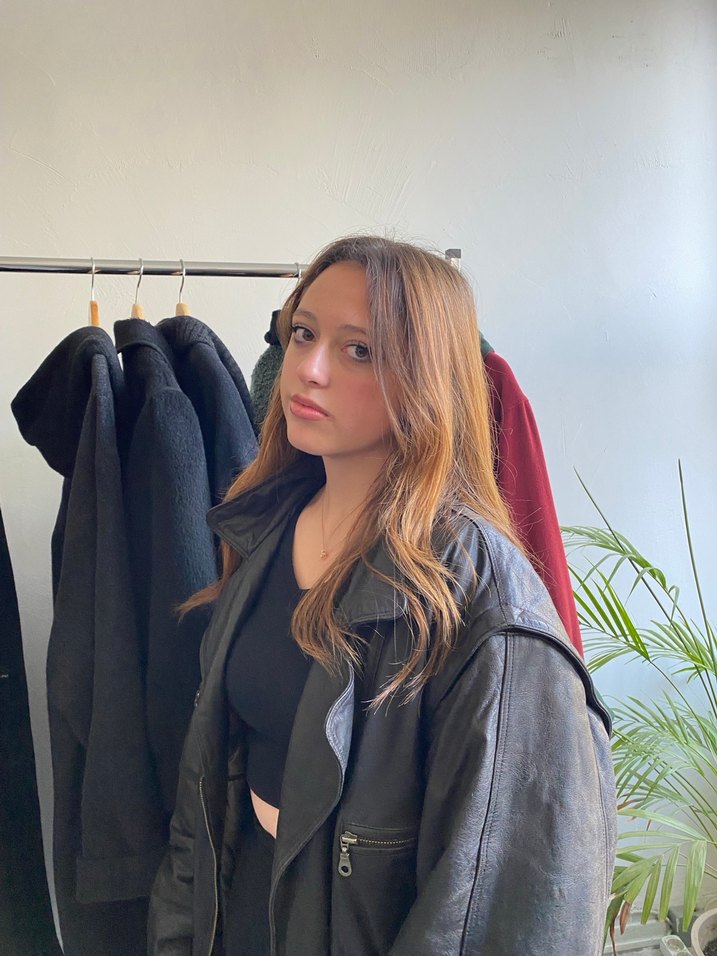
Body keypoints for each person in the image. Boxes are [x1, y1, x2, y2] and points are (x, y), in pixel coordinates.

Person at [148, 235, 617, 956]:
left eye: (359, 350)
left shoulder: (485, 606)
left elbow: (515, 909)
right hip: (241, 911)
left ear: (426, 377)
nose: (308, 369)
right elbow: (205, 785)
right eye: (302, 334)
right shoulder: (264, 530)